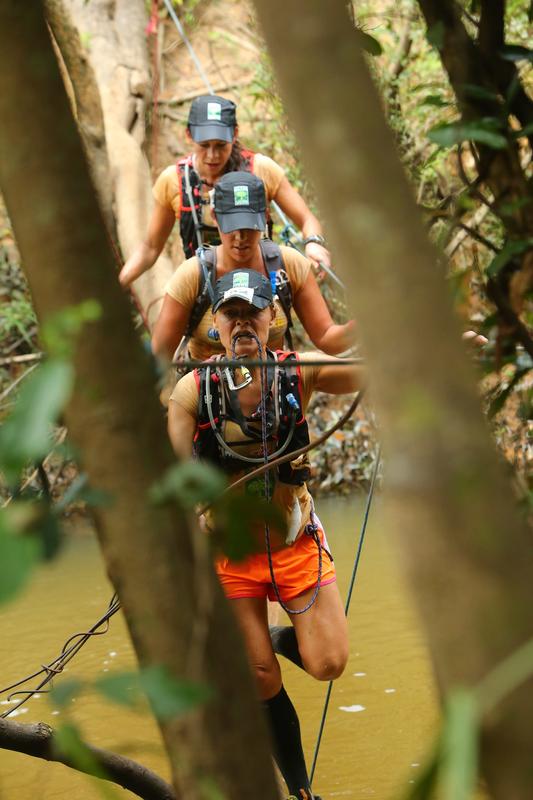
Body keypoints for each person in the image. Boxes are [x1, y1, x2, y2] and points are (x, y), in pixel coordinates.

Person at [168, 268, 364, 800]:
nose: (242, 324)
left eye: (251, 313)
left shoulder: (297, 371)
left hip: (293, 542)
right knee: (259, 676)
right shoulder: (193, 390)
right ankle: (302, 791)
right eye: (230, 314)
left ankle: (274, 639)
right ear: (215, 324)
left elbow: (369, 372)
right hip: (230, 552)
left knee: (329, 663)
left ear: (271, 317)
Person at [119, 94, 331, 287]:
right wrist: (120, 282)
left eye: (221, 145)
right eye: (204, 145)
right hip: (204, 291)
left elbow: (306, 219)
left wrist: (314, 243)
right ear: (189, 135)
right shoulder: (174, 181)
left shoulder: (261, 170)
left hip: (261, 287)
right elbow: (150, 247)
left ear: (235, 134)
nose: (212, 155)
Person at [151, 170, 354, 362]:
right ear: (214, 217)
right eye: (232, 226)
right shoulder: (193, 275)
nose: (241, 237)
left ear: (265, 216)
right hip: (204, 386)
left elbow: (326, 337)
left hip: (272, 384)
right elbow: (160, 357)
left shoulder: (289, 265)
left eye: (249, 226)